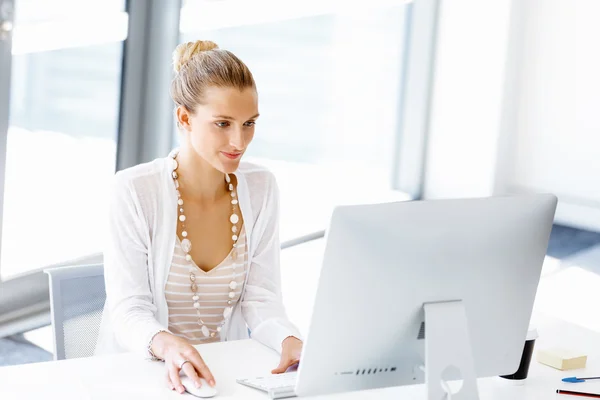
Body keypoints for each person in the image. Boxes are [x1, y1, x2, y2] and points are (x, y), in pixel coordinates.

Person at [95, 40, 303, 395]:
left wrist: (289, 339)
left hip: (222, 376)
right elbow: (129, 310)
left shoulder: (260, 188)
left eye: (249, 123)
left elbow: (261, 298)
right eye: (222, 123)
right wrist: (167, 344)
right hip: (145, 375)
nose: (239, 141)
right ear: (184, 117)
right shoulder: (134, 190)